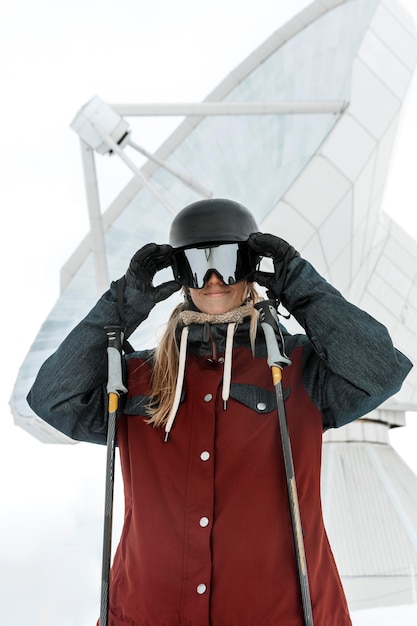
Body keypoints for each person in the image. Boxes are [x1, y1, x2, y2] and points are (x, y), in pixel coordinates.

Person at [28, 198, 412, 626]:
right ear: (179, 275)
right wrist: (124, 304)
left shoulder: (297, 370)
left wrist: (297, 283)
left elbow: (382, 371)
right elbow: (51, 399)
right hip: (144, 615)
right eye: (196, 264)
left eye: (228, 261)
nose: (213, 279)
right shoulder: (137, 378)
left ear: (250, 267)